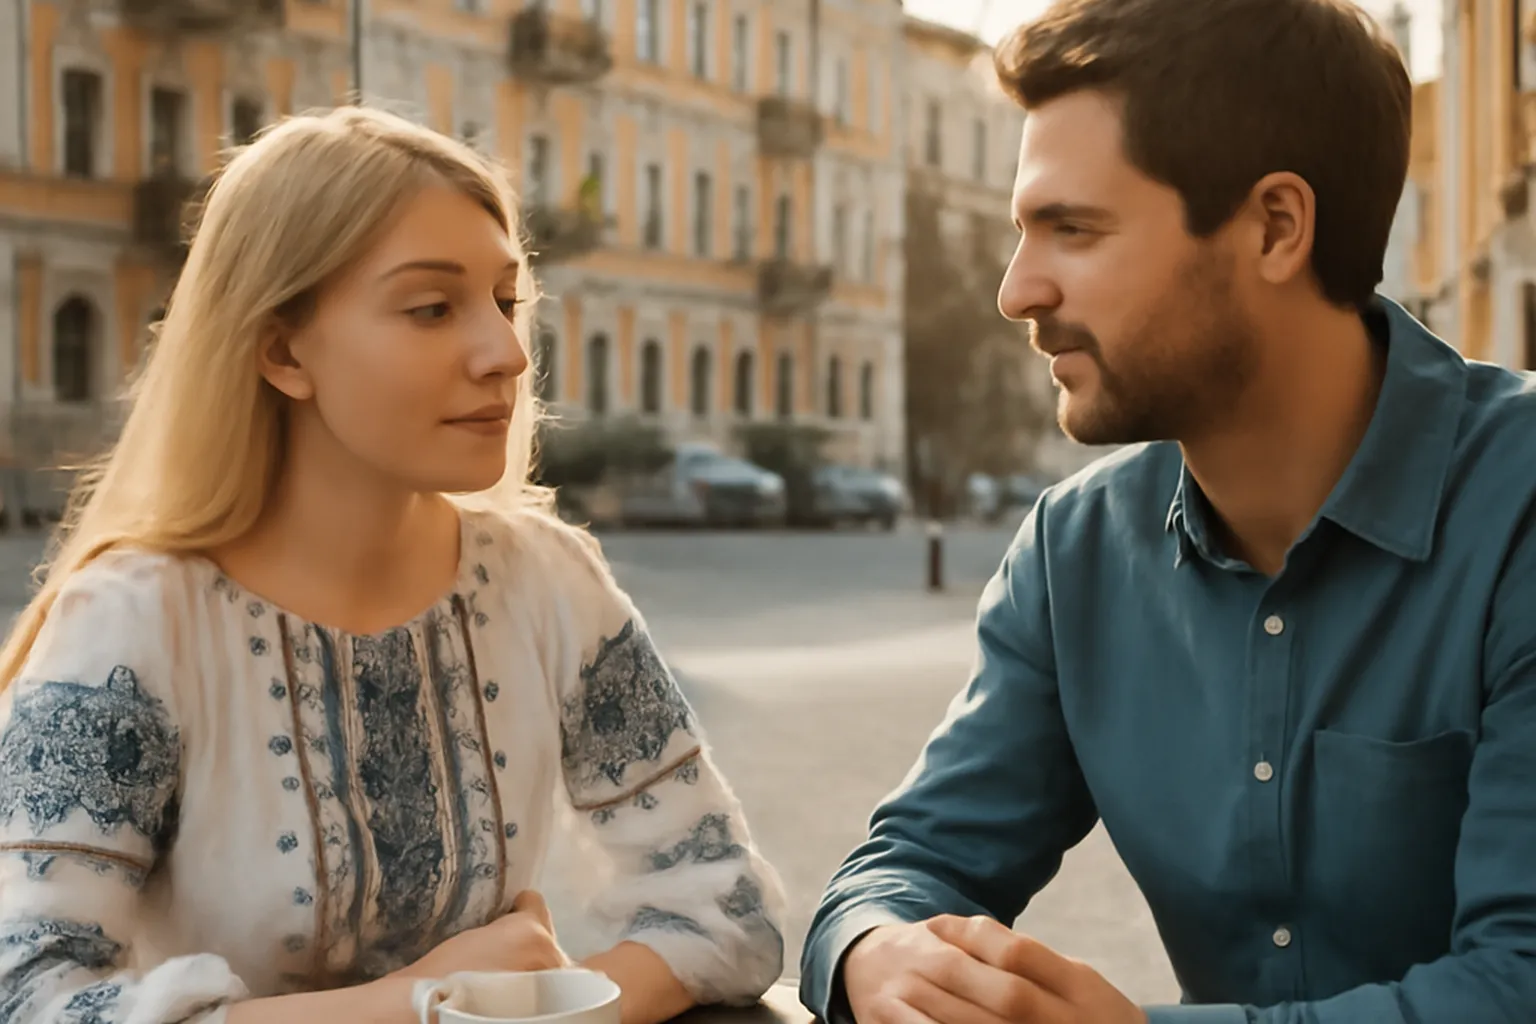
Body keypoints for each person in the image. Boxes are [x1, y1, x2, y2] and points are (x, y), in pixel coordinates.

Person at [800, 0, 1536, 1021]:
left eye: (1074, 229)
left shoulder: (1521, 509)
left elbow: (1522, 980)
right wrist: (881, 951)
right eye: (1024, 232)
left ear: (1275, 227)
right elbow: (914, 860)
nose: (1017, 290)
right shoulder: (1074, 552)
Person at [0, 106, 785, 1024]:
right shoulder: (131, 622)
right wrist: (426, 1003)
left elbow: (729, 909)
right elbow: (31, 996)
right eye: (431, 308)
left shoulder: (549, 585)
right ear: (284, 350)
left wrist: (556, 1010)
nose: (507, 353)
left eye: (505, 299)